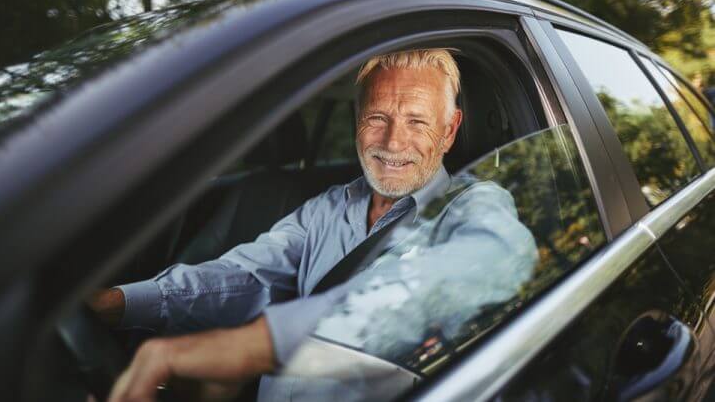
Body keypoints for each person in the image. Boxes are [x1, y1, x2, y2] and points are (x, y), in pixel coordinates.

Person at [97, 48, 538, 401]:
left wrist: (257, 345)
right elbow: (246, 276)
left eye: (417, 121)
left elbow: (497, 260)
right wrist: (122, 302)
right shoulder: (329, 207)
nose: (392, 142)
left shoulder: (474, 205)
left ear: (449, 130)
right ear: (357, 123)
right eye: (377, 118)